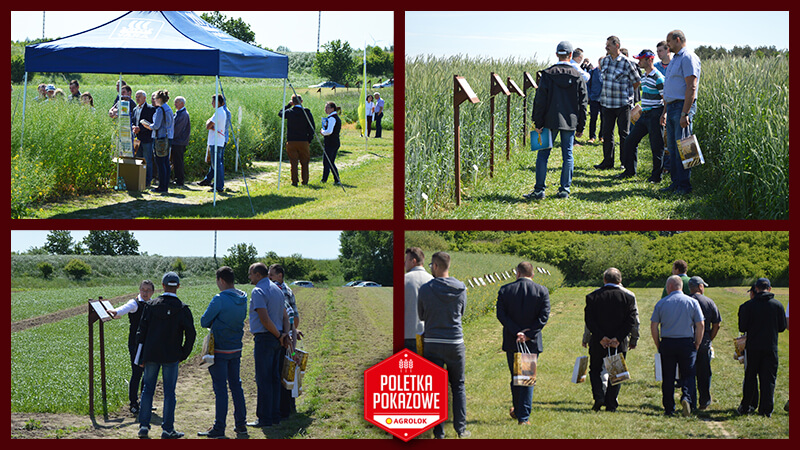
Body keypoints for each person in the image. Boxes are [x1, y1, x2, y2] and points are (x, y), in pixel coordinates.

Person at [524, 40, 587, 200]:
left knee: (543, 155)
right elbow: (583, 103)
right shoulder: (578, 76)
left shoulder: (547, 74)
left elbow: (540, 100)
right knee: (568, 155)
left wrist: (538, 122)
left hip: (548, 120)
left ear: (557, 54)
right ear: (571, 55)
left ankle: (539, 190)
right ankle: (564, 190)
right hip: (570, 121)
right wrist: (581, 125)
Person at [135, 272, 196, 439]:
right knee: (169, 392)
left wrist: (141, 356)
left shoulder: (150, 305)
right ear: (178, 286)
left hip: (151, 354)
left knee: (148, 389)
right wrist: (183, 354)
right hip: (171, 355)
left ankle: (144, 426)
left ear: (162, 286)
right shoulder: (182, 309)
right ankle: (167, 429)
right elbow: (191, 334)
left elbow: (141, 332)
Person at [417, 251, 470, 438]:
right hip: (455, 342)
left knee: (436, 388)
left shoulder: (425, 289)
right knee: (458, 386)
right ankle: (461, 429)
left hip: (433, 343)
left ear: (436, 266)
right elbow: (461, 313)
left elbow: (421, 315)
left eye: (431, 265)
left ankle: (438, 431)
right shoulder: (461, 288)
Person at [496, 261, 550, 425]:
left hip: (512, 339)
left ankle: (519, 411)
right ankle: (523, 416)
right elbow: (543, 316)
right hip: (530, 341)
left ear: (517, 273)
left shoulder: (505, 290)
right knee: (526, 378)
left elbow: (501, 315)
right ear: (532, 274)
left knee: (515, 376)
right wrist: (528, 334)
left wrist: (516, 332)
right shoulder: (541, 290)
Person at [198, 266, 249, 438]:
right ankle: (241, 425)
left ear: (221, 280)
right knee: (236, 386)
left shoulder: (219, 299)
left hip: (219, 349)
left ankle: (219, 428)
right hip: (236, 348)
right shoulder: (243, 298)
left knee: (220, 389)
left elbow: (204, 321)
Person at [585, 268, 638, 412]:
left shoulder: (592, 296)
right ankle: (611, 403)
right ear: (620, 280)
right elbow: (631, 320)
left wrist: (601, 337)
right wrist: (618, 338)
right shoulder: (628, 297)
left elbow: (589, 320)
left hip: (598, 341)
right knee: (617, 371)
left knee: (595, 370)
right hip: (618, 342)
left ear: (604, 280)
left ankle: (599, 396)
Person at [650, 275, 704, 417]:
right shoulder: (692, 302)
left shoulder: (661, 303)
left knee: (668, 376)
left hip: (668, 342)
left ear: (669, 287)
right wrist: (697, 342)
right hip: (686, 342)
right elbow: (700, 324)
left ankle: (669, 408)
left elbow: (654, 326)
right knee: (688, 374)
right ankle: (687, 398)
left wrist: (658, 343)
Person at [247, 262, 290, 428]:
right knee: (274, 378)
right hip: (277, 338)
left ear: (258, 274)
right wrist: (284, 335)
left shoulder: (258, 291)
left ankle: (264, 418)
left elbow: (264, 319)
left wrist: (279, 335)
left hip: (265, 338)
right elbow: (286, 317)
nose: (249, 277)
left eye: (251, 274)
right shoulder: (277, 290)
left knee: (263, 379)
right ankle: (275, 416)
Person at [737, 277, 787, 417]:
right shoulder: (777, 305)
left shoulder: (747, 306)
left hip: (753, 347)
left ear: (756, 289)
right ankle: (766, 409)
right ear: (769, 289)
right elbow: (782, 327)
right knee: (768, 379)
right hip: (770, 346)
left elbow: (742, 327)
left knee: (750, 377)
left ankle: (746, 406)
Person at [660, 29, 701, 196]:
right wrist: (665, 111)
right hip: (672, 107)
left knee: (684, 148)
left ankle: (685, 186)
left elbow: (691, 86)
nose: (667, 44)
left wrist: (685, 113)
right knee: (673, 148)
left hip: (682, 107)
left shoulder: (688, 57)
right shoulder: (676, 58)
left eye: (669, 41)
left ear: (677, 40)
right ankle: (675, 183)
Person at [107, 280, 156, 415]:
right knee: (137, 372)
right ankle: (133, 403)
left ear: (152, 292)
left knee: (148, 373)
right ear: (139, 290)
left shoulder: (153, 304)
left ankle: (145, 401)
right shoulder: (134, 303)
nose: (145, 293)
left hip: (149, 344)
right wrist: (115, 311)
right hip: (136, 344)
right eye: (143, 290)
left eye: (148, 290)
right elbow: (124, 308)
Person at [617, 49, 666, 181]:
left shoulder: (658, 77)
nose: (638, 62)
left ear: (650, 60)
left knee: (656, 146)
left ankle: (656, 177)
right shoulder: (643, 76)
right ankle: (629, 171)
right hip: (644, 114)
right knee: (630, 141)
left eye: (641, 59)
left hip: (655, 114)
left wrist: (664, 114)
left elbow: (665, 99)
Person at [595, 36, 641, 171]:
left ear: (617, 45)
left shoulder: (627, 62)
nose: (606, 47)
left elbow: (637, 81)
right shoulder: (605, 61)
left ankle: (624, 162)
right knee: (607, 133)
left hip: (622, 104)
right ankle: (607, 162)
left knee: (624, 134)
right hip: (606, 104)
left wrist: (627, 94)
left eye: (608, 45)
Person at [268, 263, 300, 419]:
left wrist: (286, 333)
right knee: (288, 369)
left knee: (281, 371)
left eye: (271, 274)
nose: (269, 277)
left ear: (279, 276)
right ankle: (290, 406)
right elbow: (295, 316)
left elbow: (286, 314)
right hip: (289, 335)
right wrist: (294, 330)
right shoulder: (288, 289)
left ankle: (283, 409)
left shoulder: (278, 290)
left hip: (282, 336)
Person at [687, 276, 721, 410]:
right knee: (704, 372)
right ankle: (704, 400)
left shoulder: (686, 301)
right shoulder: (709, 302)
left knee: (688, 372)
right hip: (704, 340)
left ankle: (690, 400)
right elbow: (717, 324)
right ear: (700, 287)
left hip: (688, 339)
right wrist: (710, 338)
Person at [277, 95, 315, 187]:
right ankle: (305, 181)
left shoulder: (289, 112)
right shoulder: (306, 112)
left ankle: (294, 181)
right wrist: (309, 139)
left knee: (293, 163)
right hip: (303, 140)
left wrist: (288, 105)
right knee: (304, 162)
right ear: (301, 101)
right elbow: (312, 127)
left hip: (291, 141)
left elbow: (280, 113)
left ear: (293, 102)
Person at [142, 90, 174, 193]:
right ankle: (165, 185)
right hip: (168, 137)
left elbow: (156, 126)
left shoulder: (161, 109)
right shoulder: (168, 108)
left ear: (159, 99)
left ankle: (162, 186)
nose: (154, 100)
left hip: (160, 138)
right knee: (165, 162)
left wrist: (147, 126)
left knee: (160, 163)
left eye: (155, 98)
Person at [404, 247, 433, 352]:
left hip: (407, 334)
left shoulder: (404, 279)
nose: (404, 263)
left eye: (406, 260)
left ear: (413, 261)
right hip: (428, 335)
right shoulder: (433, 280)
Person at [198, 94, 227, 193]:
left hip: (215, 141)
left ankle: (218, 186)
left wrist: (208, 121)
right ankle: (218, 184)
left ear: (219, 102)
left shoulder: (218, 112)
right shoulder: (221, 112)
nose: (212, 103)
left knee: (217, 165)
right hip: (219, 141)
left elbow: (208, 125)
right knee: (218, 164)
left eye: (213, 101)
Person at [132, 90, 156, 187]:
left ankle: (147, 181)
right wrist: (134, 127)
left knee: (147, 160)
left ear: (145, 98)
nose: (137, 98)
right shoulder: (135, 109)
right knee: (138, 159)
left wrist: (140, 129)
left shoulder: (150, 109)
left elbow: (151, 124)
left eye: (139, 97)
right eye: (136, 97)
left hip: (147, 139)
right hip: (137, 139)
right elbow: (133, 120)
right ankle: (139, 179)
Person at [320, 101, 342, 186]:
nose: (325, 109)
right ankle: (336, 179)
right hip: (334, 142)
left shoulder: (332, 118)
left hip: (331, 142)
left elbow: (329, 131)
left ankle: (324, 179)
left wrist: (323, 132)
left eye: (327, 108)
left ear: (332, 109)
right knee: (331, 162)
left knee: (327, 161)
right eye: (325, 107)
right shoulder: (334, 117)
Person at [171, 96, 190, 187]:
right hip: (177, 141)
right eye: (175, 102)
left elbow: (177, 129)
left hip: (179, 141)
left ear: (182, 103)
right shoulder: (179, 113)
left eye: (177, 102)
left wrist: (170, 136)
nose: (175, 104)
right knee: (176, 161)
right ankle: (177, 178)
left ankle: (180, 180)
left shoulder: (183, 114)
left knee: (178, 161)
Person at [587, 57, 604, 143]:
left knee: (604, 119)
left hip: (604, 99)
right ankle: (592, 137)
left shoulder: (607, 72)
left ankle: (602, 136)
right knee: (593, 118)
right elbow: (587, 85)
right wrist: (589, 95)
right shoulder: (592, 72)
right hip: (594, 98)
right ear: (598, 62)